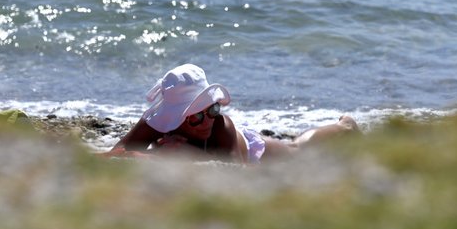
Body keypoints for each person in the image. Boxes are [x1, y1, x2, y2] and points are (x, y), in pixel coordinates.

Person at [107, 63, 359, 164]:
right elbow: (116, 153)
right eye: (196, 116)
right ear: (176, 118)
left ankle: (346, 126)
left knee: (295, 150)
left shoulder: (220, 124)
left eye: (212, 109)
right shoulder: (156, 123)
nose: (206, 120)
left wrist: (183, 152)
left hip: (249, 150)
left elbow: (235, 168)